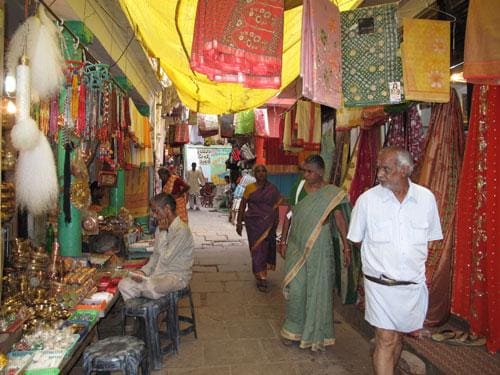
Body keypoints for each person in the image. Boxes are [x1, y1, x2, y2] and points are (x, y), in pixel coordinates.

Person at [347, 146, 443, 375]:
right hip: (380, 285)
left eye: (386, 169)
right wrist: (379, 260)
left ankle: (388, 362)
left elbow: (431, 239)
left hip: (411, 285)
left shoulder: (426, 199)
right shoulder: (367, 201)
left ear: (405, 169)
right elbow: (357, 239)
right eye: (379, 168)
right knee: (386, 338)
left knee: (398, 335)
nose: (379, 174)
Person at [279, 155, 351, 351]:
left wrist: (346, 245)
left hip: (320, 245)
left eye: (309, 171)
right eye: (304, 170)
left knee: (319, 289)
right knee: (297, 288)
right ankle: (292, 330)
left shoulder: (331, 194)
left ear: (320, 172)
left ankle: (318, 333)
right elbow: (289, 214)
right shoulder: (298, 188)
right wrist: (283, 239)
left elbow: (338, 218)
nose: (306, 174)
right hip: (297, 243)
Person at [118, 193, 194, 301]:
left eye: (155, 211)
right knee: (124, 284)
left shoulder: (181, 230)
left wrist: (163, 232)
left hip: (175, 277)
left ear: (167, 209)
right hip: (157, 275)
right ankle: (141, 317)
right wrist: (143, 272)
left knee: (151, 287)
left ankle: (151, 314)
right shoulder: (160, 228)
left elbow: (166, 258)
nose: (154, 215)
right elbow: (155, 257)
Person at [236, 165, 282, 292]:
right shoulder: (249, 188)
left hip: (269, 223)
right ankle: (260, 276)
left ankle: (262, 275)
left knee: (266, 249)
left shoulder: (272, 189)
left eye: (263, 171)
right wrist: (238, 223)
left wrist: (276, 221)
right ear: (254, 174)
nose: (261, 173)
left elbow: (276, 206)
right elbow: (242, 205)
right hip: (253, 225)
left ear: (267, 173)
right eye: (258, 171)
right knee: (256, 249)